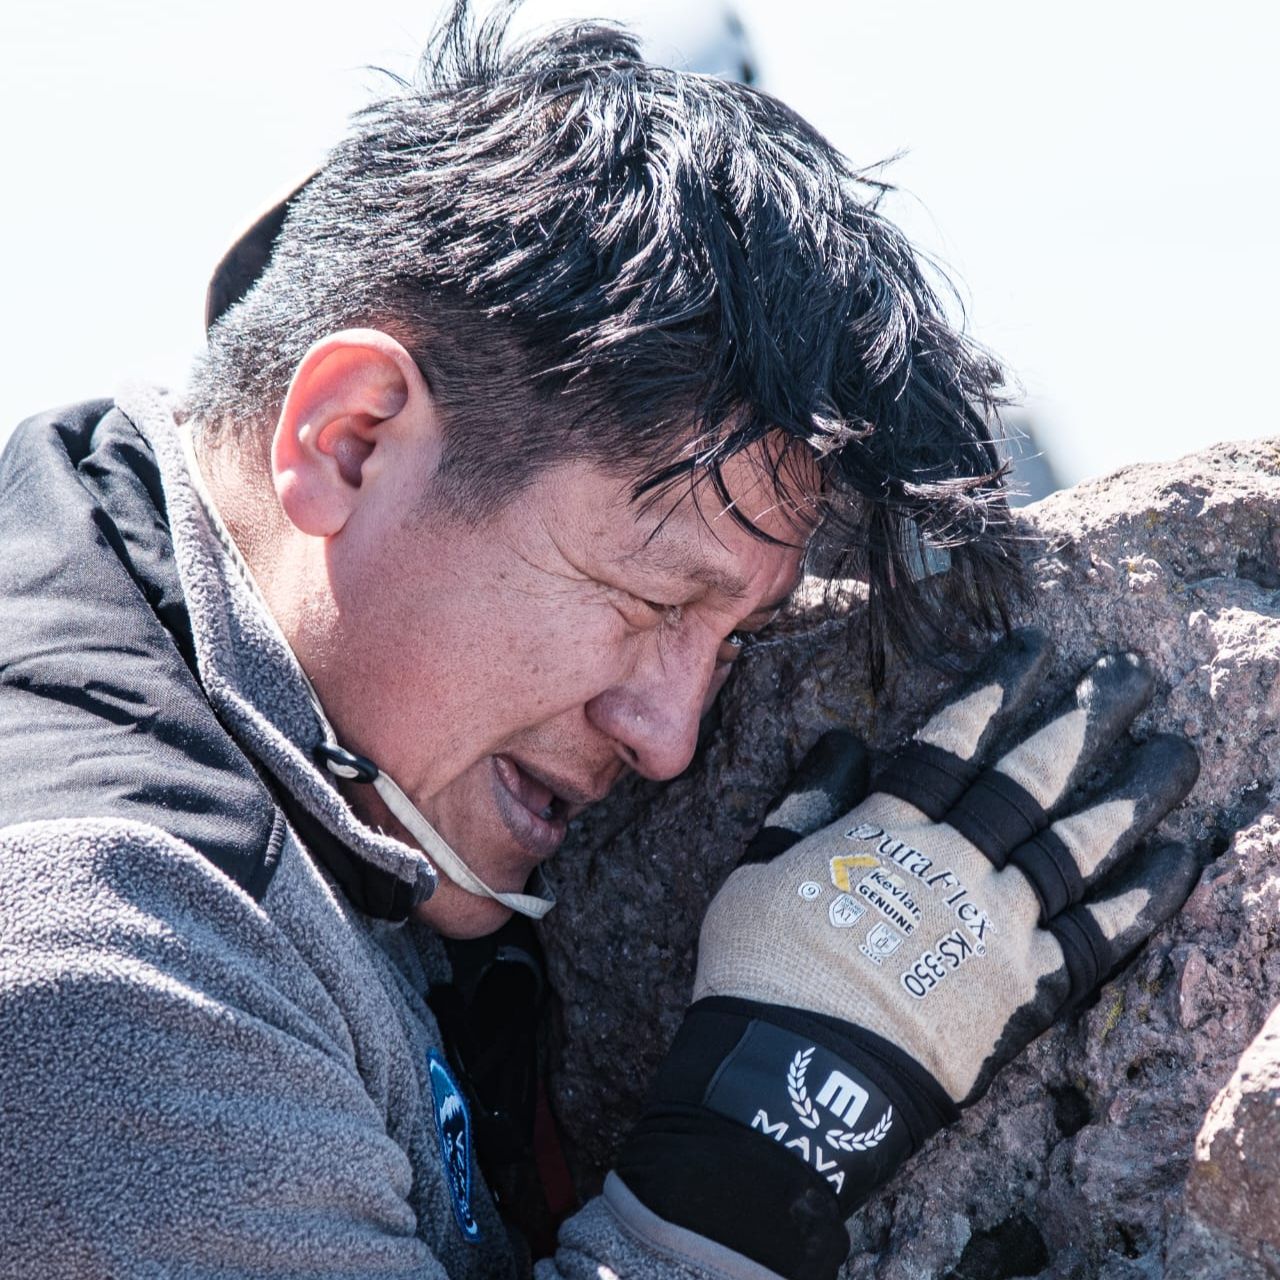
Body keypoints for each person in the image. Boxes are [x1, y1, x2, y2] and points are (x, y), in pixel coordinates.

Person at [0, 4, 1201, 1278]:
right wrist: (721, 1191)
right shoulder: (108, 967)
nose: (669, 736)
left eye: (732, 639)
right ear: (347, 438)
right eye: (646, 602)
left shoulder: (102, 525)